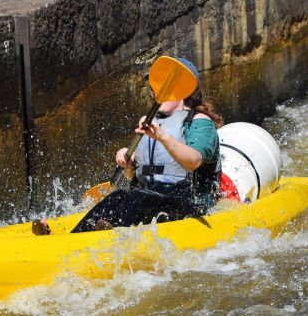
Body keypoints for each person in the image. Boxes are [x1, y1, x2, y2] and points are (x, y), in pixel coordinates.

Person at [61, 57, 224, 234]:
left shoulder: (200, 123)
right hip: (150, 201)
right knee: (120, 196)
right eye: (154, 88)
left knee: (136, 198)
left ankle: (107, 234)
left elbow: (193, 161)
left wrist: (162, 136)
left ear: (183, 92)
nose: (156, 93)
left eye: (162, 86)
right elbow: (135, 176)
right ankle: (74, 237)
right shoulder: (153, 123)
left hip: (191, 207)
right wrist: (127, 162)